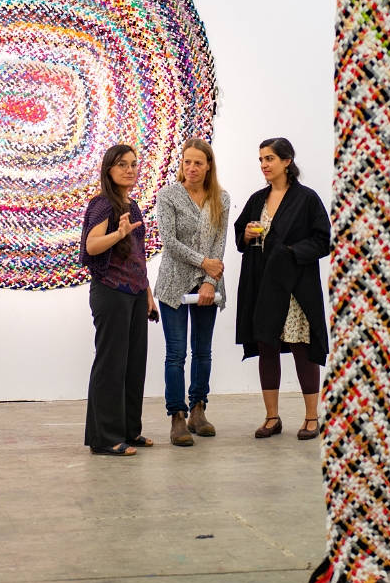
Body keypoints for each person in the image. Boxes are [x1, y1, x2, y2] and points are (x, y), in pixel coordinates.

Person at [234, 138, 331, 440]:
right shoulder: (256, 200)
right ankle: (272, 417)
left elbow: (323, 239)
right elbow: (240, 233)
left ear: (287, 161)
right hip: (263, 286)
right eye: (261, 159)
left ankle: (312, 418)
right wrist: (248, 234)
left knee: (303, 348)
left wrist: (290, 252)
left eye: (270, 158)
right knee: (267, 347)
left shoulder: (306, 199)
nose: (264, 164)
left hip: (295, 287)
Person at [80, 144, 159, 456]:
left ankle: (128, 431)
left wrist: (148, 293)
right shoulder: (102, 205)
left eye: (133, 164)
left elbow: (138, 256)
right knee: (111, 364)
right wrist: (118, 233)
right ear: (109, 170)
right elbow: (92, 247)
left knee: (133, 364)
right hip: (110, 292)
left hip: (136, 293)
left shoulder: (133, 206)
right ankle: (103, 437)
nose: (130, 169)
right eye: (122, 164)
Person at [154, 138, 231, 447]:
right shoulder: (168, 195)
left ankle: (199, 410)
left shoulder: (221, 198)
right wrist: (204, 263)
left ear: (208, 165)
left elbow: (220, 240)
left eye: (198, 162)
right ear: (181, 164)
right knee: (176, 353)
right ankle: (178, 417)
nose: (192, 167)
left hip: (209, 283)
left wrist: (211, 280)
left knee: (203, 350)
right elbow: (169, 241)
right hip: (174, 282)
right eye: (187, 162)